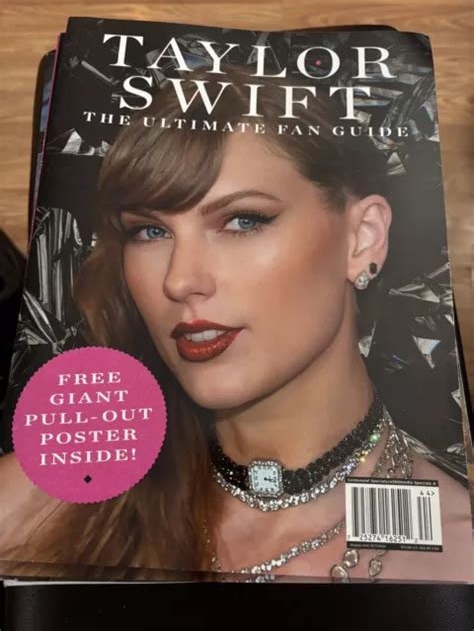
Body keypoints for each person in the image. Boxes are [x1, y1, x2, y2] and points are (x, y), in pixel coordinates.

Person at [0, 68, 471, 582]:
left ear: (362, 238)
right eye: (150, 231)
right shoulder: (38, 500)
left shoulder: (456, 555)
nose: (180, 280)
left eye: (243, 220)